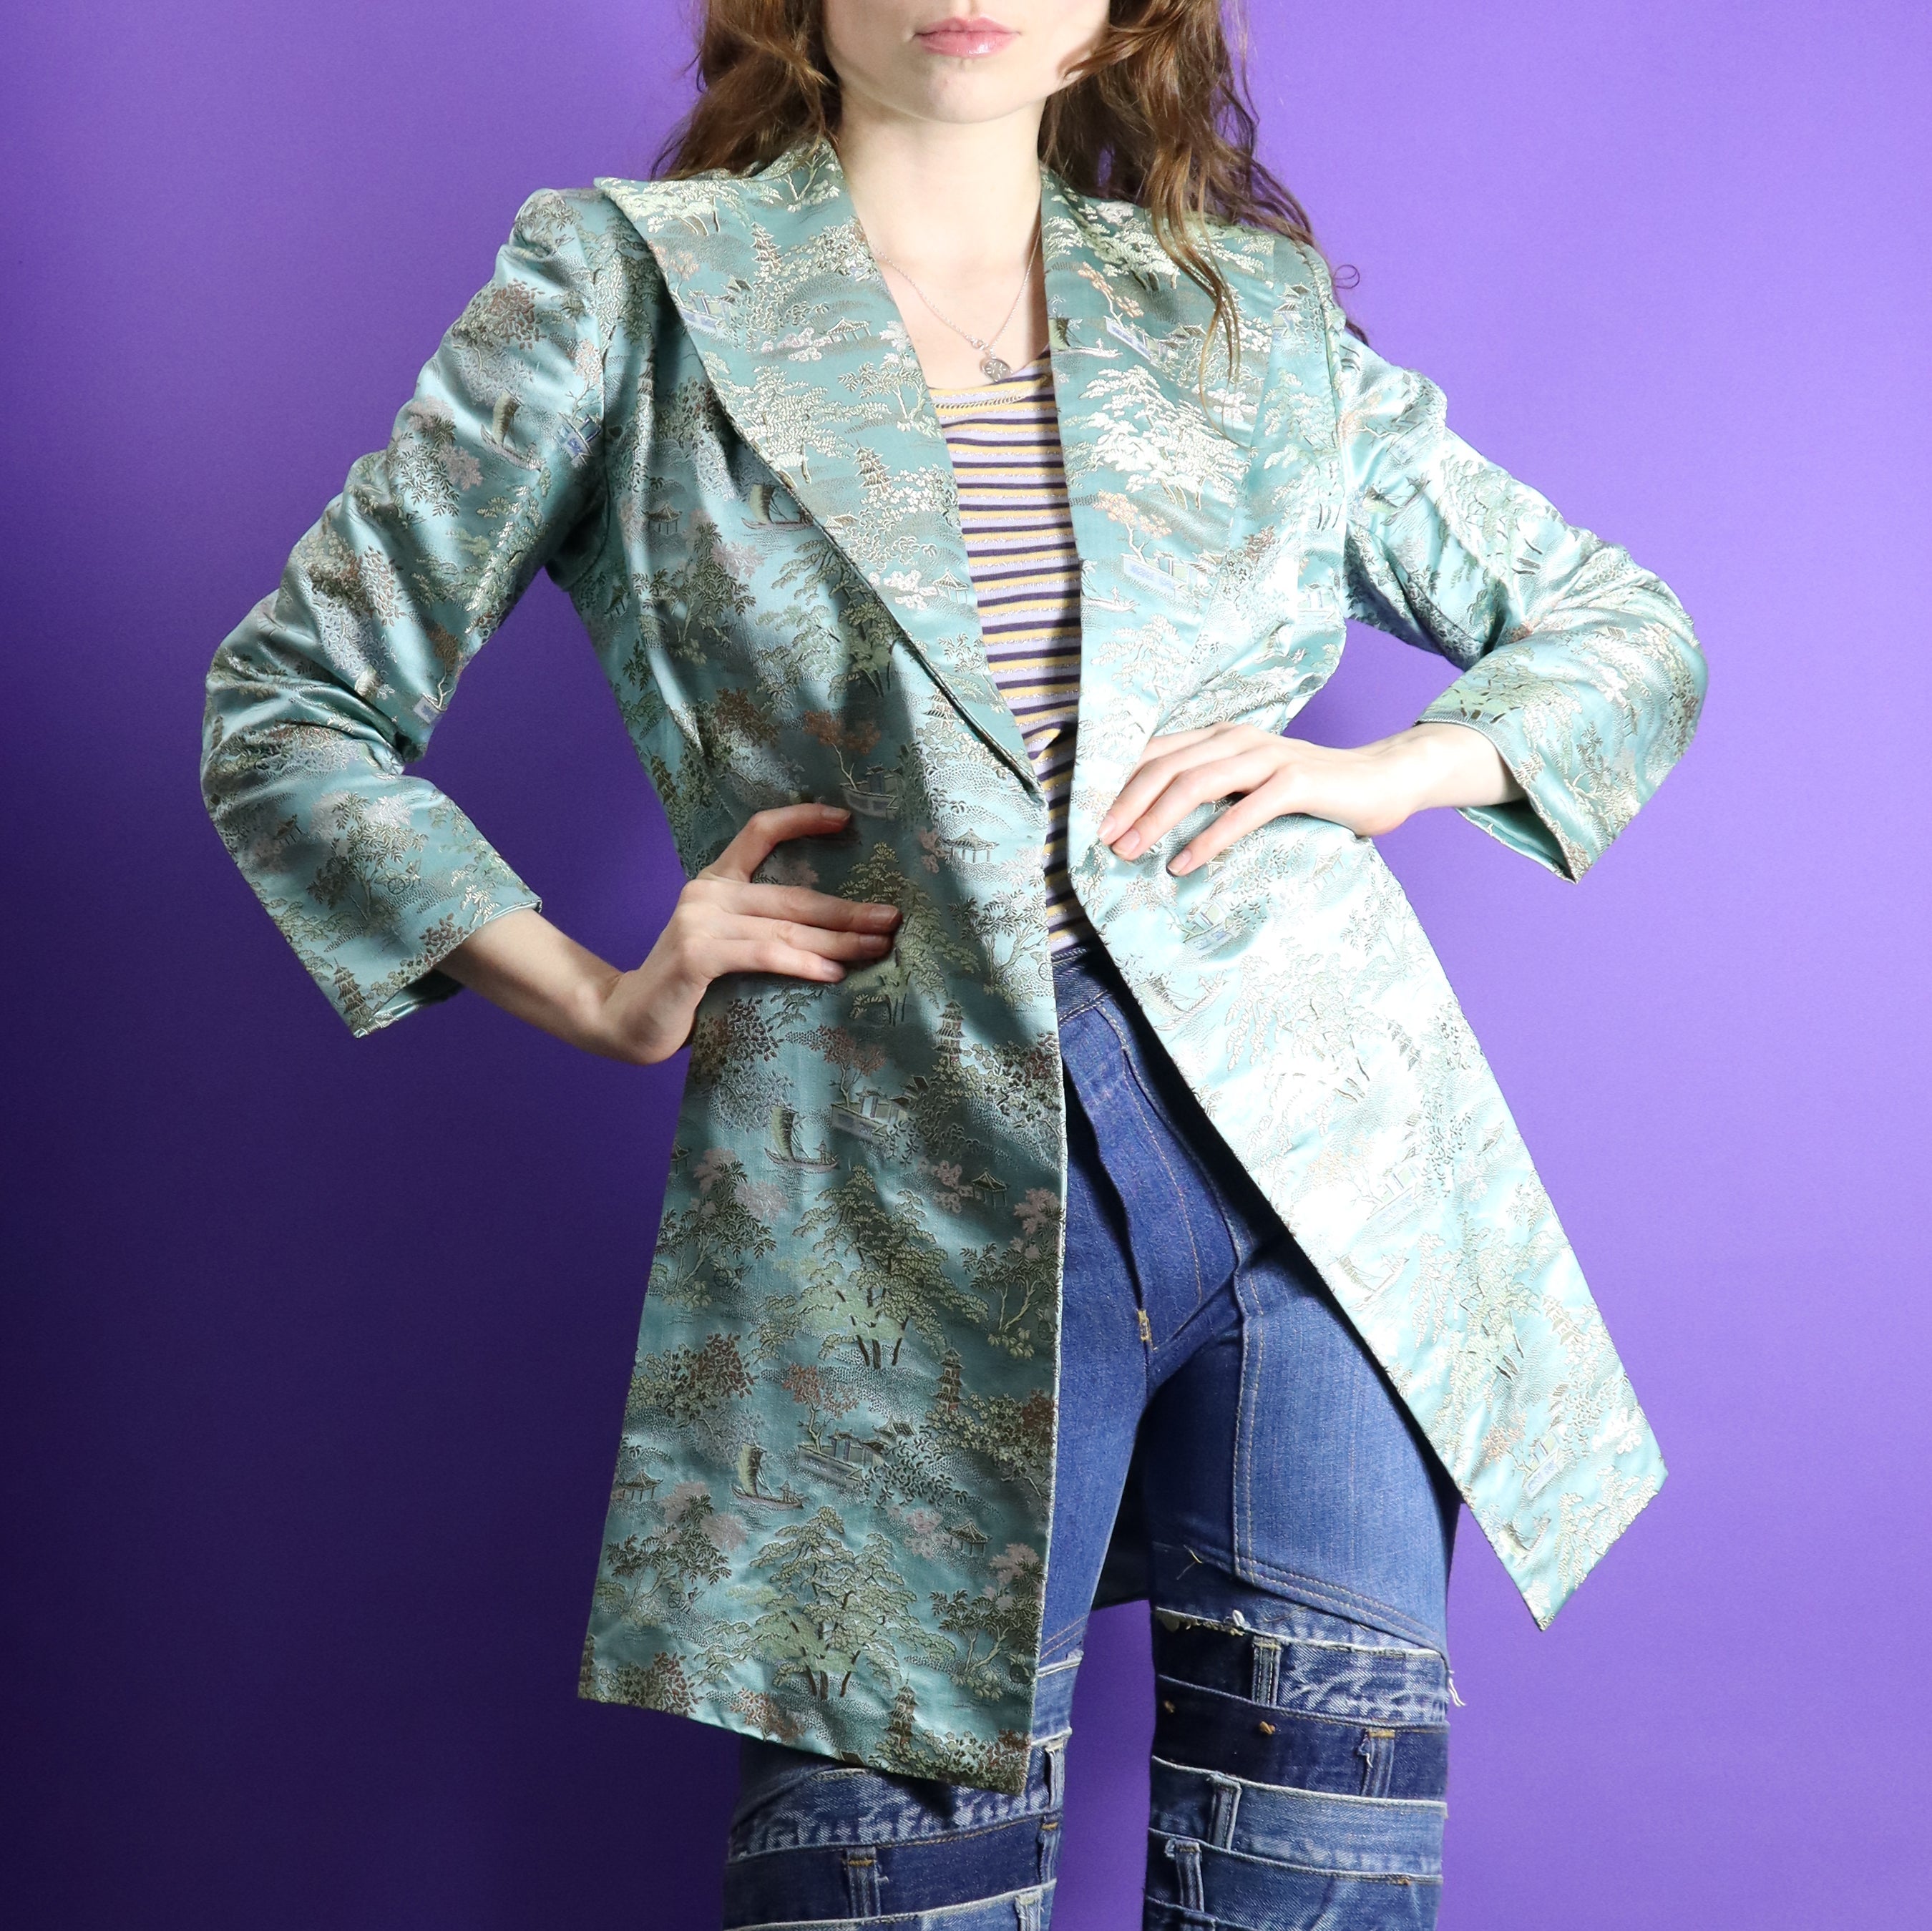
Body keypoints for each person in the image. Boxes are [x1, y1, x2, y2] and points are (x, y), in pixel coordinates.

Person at [200, 1, 1705, 1922]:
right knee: (891, 1872)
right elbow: (290, 708)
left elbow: (1623, 630)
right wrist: (593, 989)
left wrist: (1387, 774)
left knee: (1317, 1878)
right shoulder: (626, 287)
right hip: (887, 1177)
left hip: (1324, 1167)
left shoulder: (1238, 313)